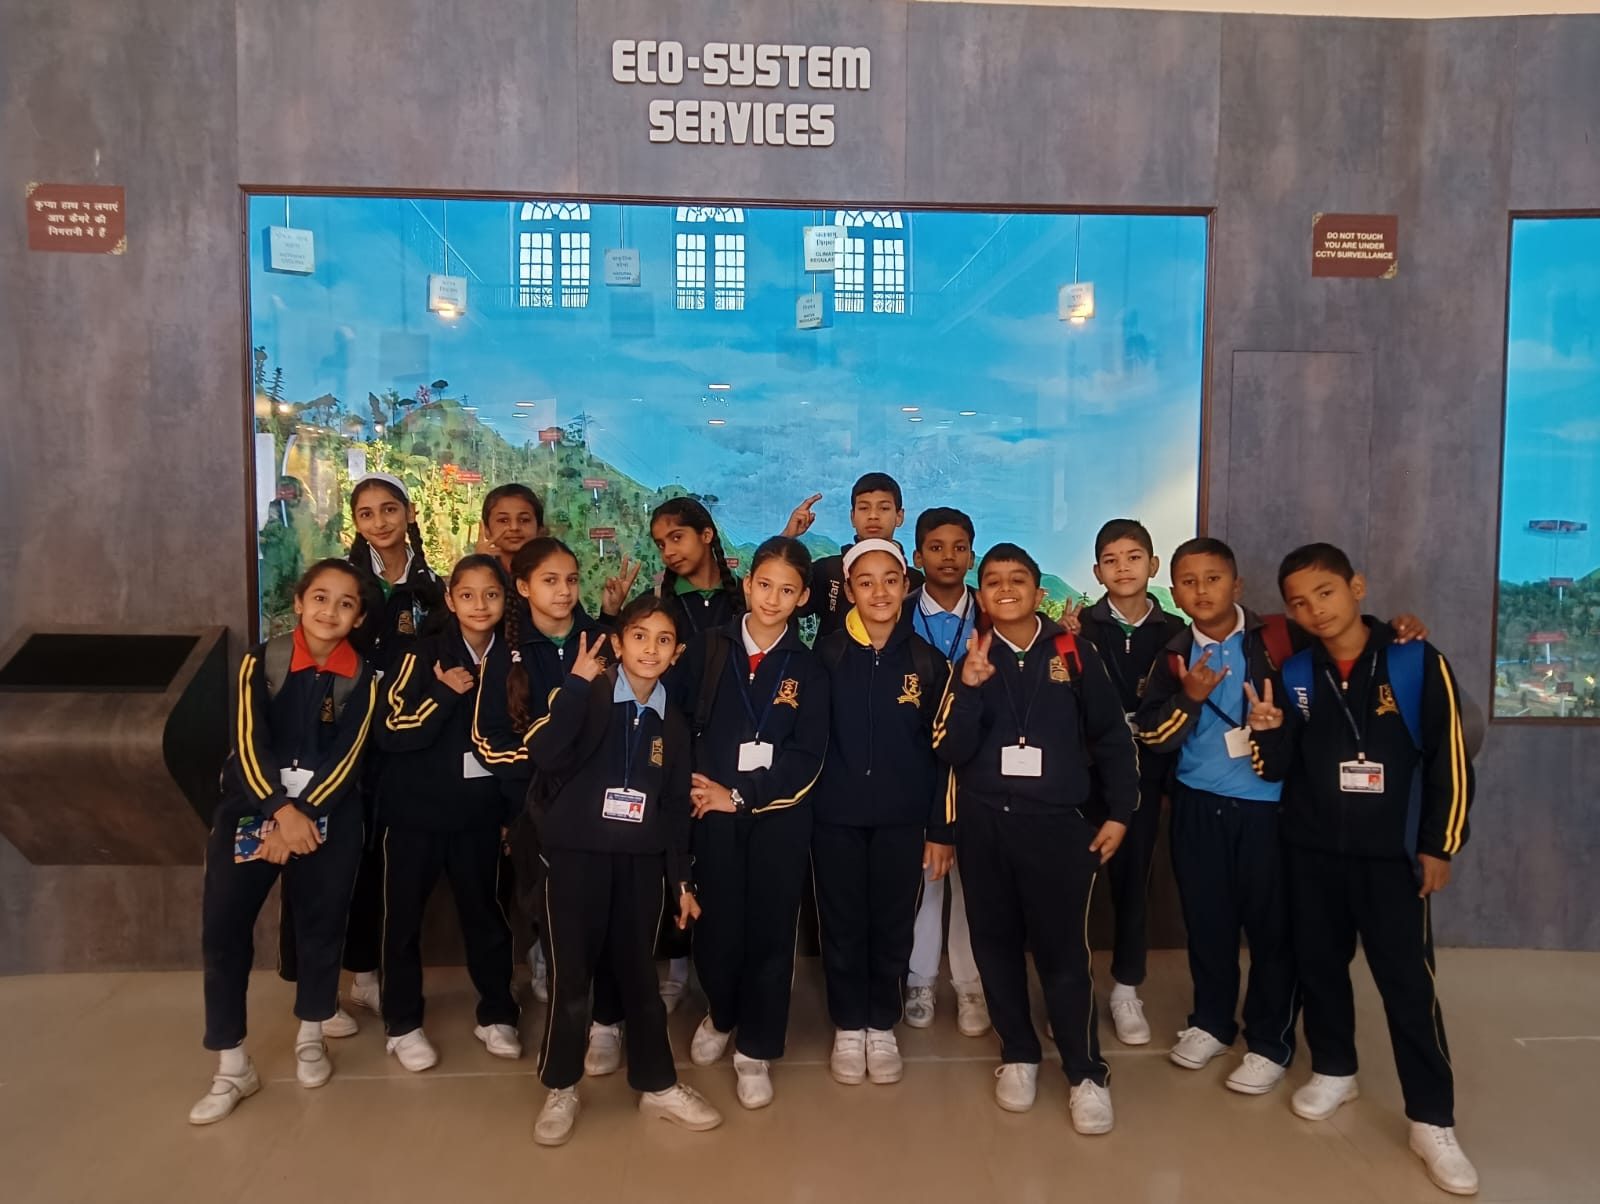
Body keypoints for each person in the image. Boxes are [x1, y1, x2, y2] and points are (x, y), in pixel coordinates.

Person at [1274, 543, 1478, 1196]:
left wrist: (1440, 845)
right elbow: (1287, 761)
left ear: (1356, 587)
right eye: (1299, 602)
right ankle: (1335, 1068)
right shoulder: (1298, 672)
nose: (1315, 609)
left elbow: (1450, 758)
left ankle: (1432, 1119)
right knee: (1319, 968)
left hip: (1392, 857)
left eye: (1325, 592)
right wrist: (1270, 730)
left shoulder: (1415, 659)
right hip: (1313, 853)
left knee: (1408, 986)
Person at [934, 543, 1138, 1135]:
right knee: (994, 946)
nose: (1005, 588)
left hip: (1057, 827)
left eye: (1017, 579)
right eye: (993, 580)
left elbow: (1110, 737)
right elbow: (949, 748)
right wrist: (969, 687)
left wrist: (1120, 811)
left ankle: (1085, 1073)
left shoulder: (1074, 652)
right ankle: (1019, 1055)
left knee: (1064, 954)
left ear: (1037, 591)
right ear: (981, 594)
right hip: (984, 826)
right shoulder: (972, 656)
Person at [526, 597, 723, 1146]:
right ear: (617, 643)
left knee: (640, 977)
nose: (650, 649)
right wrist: (573, 686)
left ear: (677, 653)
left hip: (638, 867)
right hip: (575, 860)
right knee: (572, 980)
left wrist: (681, 881)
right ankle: (560, 1086)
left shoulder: (673, 724)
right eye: (639, 636)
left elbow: (673, 809)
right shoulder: (584, 696)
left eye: (664, 640)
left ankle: (658, 1085)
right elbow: (543, 753)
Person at [189, 560, 380, 1125]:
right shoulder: (261, 662)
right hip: (253, 811)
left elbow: (348, 758)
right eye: (320, 598)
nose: (330, 611)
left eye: (346, 603)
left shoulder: (363, 677)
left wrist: (303, 819)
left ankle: (311, 1035)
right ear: (299, 602)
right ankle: (232, 1065)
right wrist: (278, 814)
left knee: (321, 926)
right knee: (224, 931)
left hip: (326, 817)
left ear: (358, 617)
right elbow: (249, 742)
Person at [1133, 537, 1298, 1095]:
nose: (1201, 590)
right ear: (1174, 592)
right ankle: (1211, 1022)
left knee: (1272, 931)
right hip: (1197, 804)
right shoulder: (1173, 655)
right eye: (1189, 582)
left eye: (1213, 578)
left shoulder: (1278, 641)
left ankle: (1270, 1042)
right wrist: (1191, 697)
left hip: (1268, 810)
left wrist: (1398, 631)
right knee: (1208, 922)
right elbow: (1153, 736)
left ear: (1237, 585)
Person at [676, 537, 829, 1110]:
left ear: (803, 598)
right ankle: (721, 1014)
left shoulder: (809, 668)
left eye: (787, 590)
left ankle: (756, 1048)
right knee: (716, 927)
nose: (772, 598)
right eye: (764, 585)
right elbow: (678, 724)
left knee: (770, 933)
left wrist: (741, 795)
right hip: (709, 814)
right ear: (746, 584)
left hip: (777, 819)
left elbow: (807, 757)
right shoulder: (707, 648)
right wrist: (698, 792)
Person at [287, 472, 443, 1030]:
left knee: (379, 862)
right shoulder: (345, 582)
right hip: (340, 737)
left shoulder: (434, 586)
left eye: (389, 509)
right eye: (366, 513)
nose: (380, 522)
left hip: (403, 740)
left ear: (410, 513)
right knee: (327, 860)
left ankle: (367, 976)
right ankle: (319, 992)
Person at [813, 539, 953, 1087]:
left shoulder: (926, 661)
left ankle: (881, 1024)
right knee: (843, 923)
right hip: (835, 817)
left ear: (906, 586)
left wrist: (940, 829)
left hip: (903, 818)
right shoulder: (825, 656)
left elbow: (944, 755)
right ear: (849, 591)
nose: (879, 592)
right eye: (865, 582)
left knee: (894, 923)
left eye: (890, 580)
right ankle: (849, 1025)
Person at [375, 554, 521, 1073]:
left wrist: (511, 814)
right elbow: (390, 730)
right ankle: (402, 1023)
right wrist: (442, 693)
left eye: (491, 594)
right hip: (414, 814)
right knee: (402, 921)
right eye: (467, 595)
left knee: (486, 917)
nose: (480, 605)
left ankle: (497, 1013)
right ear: (451, 600)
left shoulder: (513, 659)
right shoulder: (423, 653)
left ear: (506, 600)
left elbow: (520, 743)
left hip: (478, 816)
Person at [471, 538, 617, 1032]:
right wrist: (546, 765)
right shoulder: (505, 652)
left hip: (598, 808)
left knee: (601, 907)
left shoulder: (603, 642)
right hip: (532, 809)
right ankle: (548, 968)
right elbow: (487, 741)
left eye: (571, 580)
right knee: (543, 903)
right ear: (523, 587)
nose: (563, 591)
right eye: (550, 581)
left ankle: (605, 1012)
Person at [1076, 519, 1188, 1045]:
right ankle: (1072, 990)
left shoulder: (1176, 634)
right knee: (1073, 890)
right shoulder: (1078, 630)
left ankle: (1126, 989)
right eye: (1111, 560)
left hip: (1144, 779)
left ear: (1153, 565)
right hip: (1082, 780)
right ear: (1097, 572)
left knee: (1132, 887)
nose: (1123, 568)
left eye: (1134, 557)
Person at [903, 507, 988, 1037]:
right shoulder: (898, 611)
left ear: (972, 556)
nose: (948, 557)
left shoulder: (992, 614)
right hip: (914, 759)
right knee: (926, 875)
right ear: (918, 556)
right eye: (936, 547)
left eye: (959, 547)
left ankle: (970, 984)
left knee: (971, 880)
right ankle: (919, 980)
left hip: (976, 762)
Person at [781, 473, 923, 640]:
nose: (873, 516)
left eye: (884, 508)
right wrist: (787, 537)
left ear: (899, 516)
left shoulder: (915, 581)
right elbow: (779, 601)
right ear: (852, 517)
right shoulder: (828, 570)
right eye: (864, 508)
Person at [650, 496, 743, 645]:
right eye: (661, 545)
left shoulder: (748, 596)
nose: (668, 552)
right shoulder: (653, 602)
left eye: (677, 537)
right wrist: (611, 614)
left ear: (706, 535)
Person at [476, 483, 545, 579]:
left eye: (524, 520)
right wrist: (479, 563)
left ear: (540, 529)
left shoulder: (552, 570)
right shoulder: (480, 569)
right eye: (503, 520)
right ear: (486, 530)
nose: (514, 527)